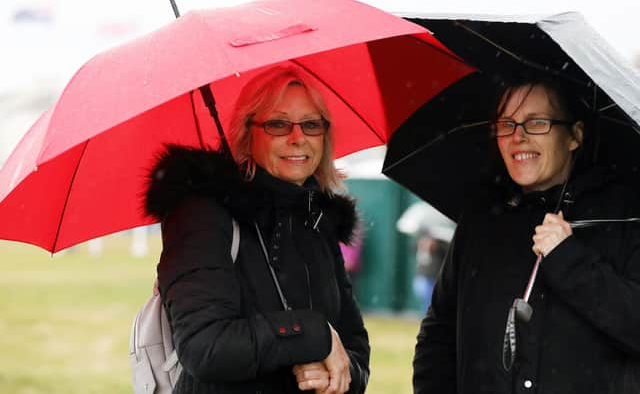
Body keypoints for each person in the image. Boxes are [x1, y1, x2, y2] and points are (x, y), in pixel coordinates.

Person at [144, 66, 370, 393]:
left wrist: (337, 377)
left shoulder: (317, 219)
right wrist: (313, 336)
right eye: (278, 124)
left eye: (311, 124)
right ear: (247, 134)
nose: (298, 138)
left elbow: (355, 348)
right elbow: (205, 346)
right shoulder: (201, 214)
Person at [413, 78, 640, 394]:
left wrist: (570, 260)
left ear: (575, 135)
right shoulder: (481, 219)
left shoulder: (625, 216)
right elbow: (439, 336)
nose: (517, 137)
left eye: (537, 123)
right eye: (507, 124)